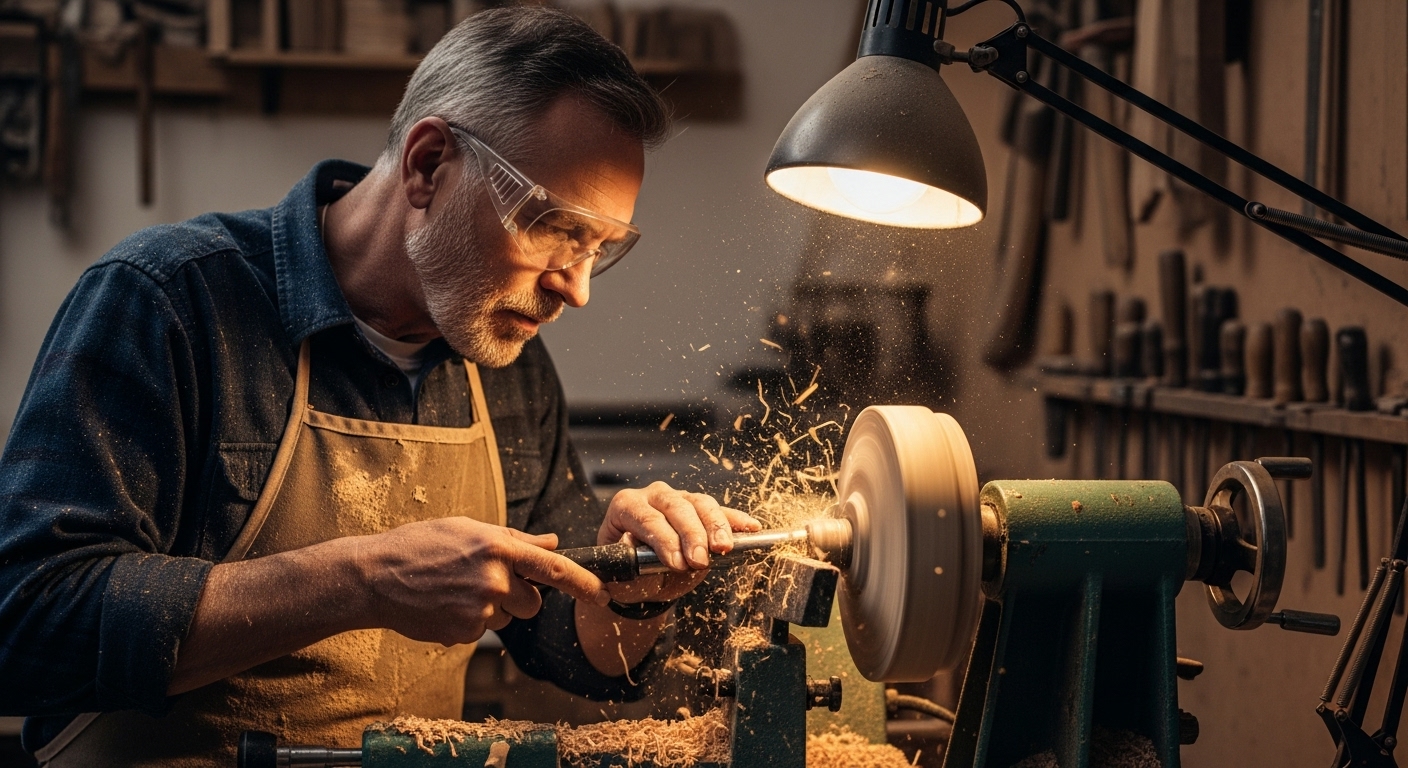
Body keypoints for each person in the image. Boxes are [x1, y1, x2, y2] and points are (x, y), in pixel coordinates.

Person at [0, 7, 758, 765]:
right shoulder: (168, 302)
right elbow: (26, 625)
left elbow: (561, 641)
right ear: (429, 165)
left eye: (600, 248)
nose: (578, 289)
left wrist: (627, 591)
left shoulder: (507, 363)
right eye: (556, 226)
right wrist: (362, 579)